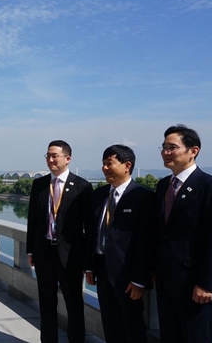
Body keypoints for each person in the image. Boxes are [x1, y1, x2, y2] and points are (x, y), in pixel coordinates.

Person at [154, 124, 212, 343]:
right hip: (166, 283)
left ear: (193, 151)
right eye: (164, 147)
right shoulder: (163, 186)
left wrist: (207, 283)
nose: (166, 152)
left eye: (172, 147)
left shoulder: (209, 186)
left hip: (195, 286)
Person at [85, 145, 154, 343]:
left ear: (127, 165)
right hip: (101, 268)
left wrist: (139, 279)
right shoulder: (100, 194)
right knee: (110, 321)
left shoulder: (143, 197)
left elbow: (146, 241)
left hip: (127, 275)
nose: (104, 168)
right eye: (103, 164)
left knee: (131, 324)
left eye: (109, 163)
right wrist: (89, 266)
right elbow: (92, 232)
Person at [26, 140, 93, 343]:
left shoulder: (82, 186)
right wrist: (30, 250)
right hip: (44, 252)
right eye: (48, 156)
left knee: (74, 304)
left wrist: (88, 262)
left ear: (67, 158)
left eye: (55, 155)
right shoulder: (39, 184)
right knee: (46, 303)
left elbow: (89, 228)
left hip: (70, 255)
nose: (51, 160)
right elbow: (33, 221)